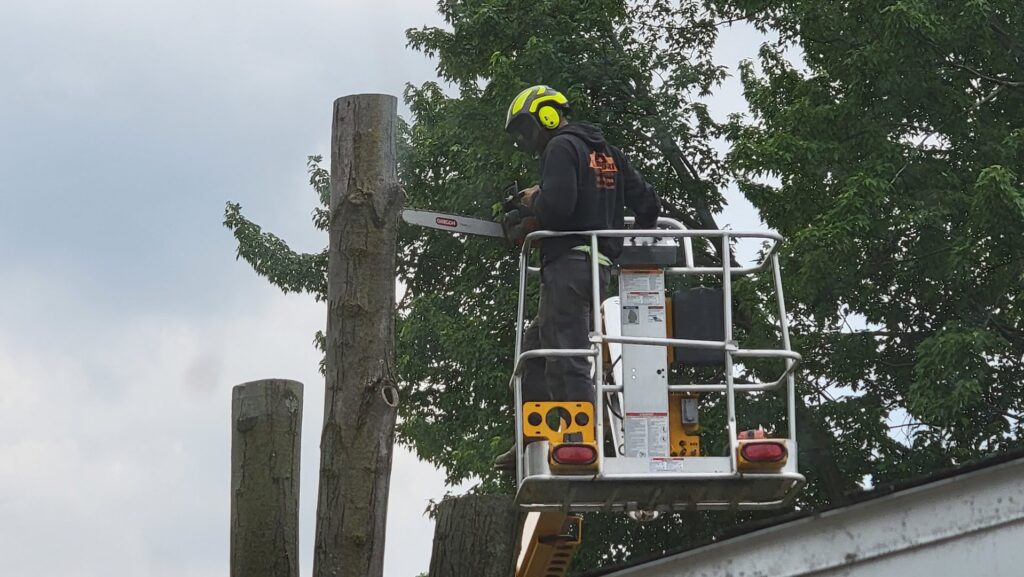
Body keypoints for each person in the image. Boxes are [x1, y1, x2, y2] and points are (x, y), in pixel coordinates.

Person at [495, 85, 661, 470]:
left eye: (527, 127)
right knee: (535, 350)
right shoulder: (608, 153)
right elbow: (648, 203)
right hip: (598, 267)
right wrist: (637, 242)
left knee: (565, 356)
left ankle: (580, 438)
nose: (528, 138)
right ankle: (531, 434)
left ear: (548, 116)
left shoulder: (560, 148)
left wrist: (533, 202)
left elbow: (558, 207)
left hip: (568, 266)